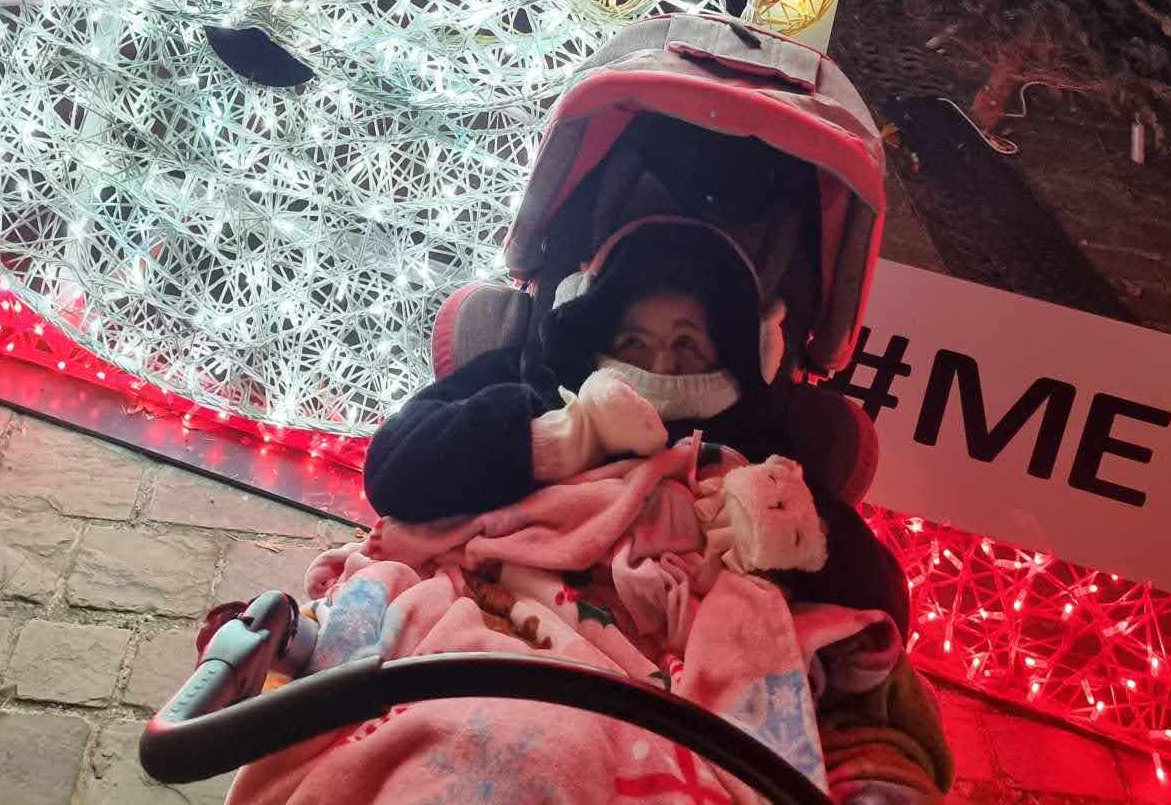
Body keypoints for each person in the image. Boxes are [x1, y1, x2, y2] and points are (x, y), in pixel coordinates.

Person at [364, 216, 952, 804]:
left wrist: (797, 529)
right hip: (508, 631)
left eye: (686, 343)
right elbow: (393, 471)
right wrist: (556, 439)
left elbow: (882, 602)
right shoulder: (535, 384)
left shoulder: (760, 448)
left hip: (670, 685)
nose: (660, 365)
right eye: (633, 342)